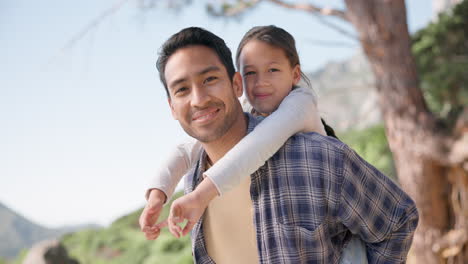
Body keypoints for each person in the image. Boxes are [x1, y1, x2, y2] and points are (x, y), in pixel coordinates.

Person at [143, 26, 419, 263]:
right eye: (182, 89)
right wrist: (157, 196)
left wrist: (201, 196)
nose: (199, 99)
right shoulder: (190, 181)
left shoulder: (315, 154)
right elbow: (183, 150)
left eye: (210, 79)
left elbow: (398, 220)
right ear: (171, 107)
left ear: (235, 84)